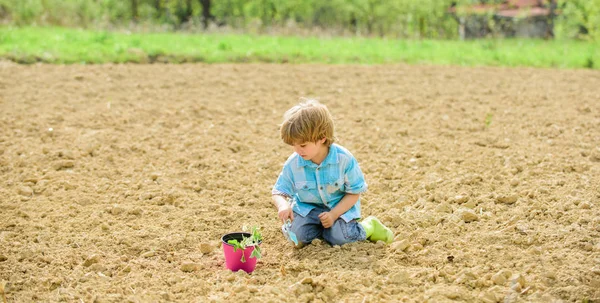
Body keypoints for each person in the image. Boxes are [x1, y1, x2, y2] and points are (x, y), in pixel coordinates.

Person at [271, 99, 394, 247]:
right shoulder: (294, 163)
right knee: (296, 240)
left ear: (322, 138)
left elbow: (354, 192)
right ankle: (324, 231)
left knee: (342, 238)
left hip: (338, 208)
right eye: (293, 145)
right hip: (307, 210)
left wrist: (333, 214)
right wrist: (283, 205)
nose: (297, 150)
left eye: (303, 145)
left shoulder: (344, 159)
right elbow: (279, 191)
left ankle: (369, 226)